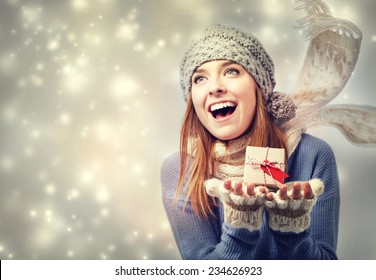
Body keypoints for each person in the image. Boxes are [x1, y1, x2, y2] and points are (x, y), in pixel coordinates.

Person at [161, 0, 375, 260]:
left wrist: (293, 232)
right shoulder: (180, 168)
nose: (214, 86)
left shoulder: (313, 154)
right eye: (200, 78)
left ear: (259, 89)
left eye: (231, 70)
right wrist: (240, 227)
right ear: (193, 99)